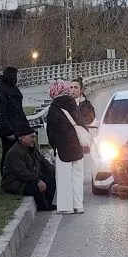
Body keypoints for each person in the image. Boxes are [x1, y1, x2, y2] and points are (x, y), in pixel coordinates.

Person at [46, 80, 91, 214]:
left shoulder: (55, 107)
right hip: (77, 145)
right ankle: (78, 205)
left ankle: (66, 207)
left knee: (64, 177)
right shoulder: (73, 104)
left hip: (63, 147)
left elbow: (51, 130)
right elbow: (82, 123)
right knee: (77, 177)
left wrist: (54, 145)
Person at [1, 127, 57, 211]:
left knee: (51, 177)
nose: (34, 140)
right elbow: (22, 172)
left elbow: (43, 162)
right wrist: (38, 181)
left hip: (28, 179)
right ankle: (43, 205)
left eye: (35, 137)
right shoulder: (15, 152)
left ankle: (47, 203)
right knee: (35, 188)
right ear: (22, 138)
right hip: (16, 183)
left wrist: (57, 172)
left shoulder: (31, 148)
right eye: (32, 137)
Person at [0, 67, 29, 178]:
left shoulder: (13, 89)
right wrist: (9, 131)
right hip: (9, 130)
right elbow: (2, 114)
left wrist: (27, 128)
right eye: (18, 75)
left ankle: (15, 176)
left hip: (17, 127)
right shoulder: (1, 92)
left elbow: (19, 111)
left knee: (17, 154)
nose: (19, 77)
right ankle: (6, 177)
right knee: (7, 154)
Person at [70, 77, 96, 179]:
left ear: (81, 90)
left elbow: (91, 117)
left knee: (81, 164)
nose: (73, 90)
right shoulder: (66, 103)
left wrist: (80, 123)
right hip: (70, 137)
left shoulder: (86, 104)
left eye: (75, 87)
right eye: (71, 87)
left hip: (82, 136)